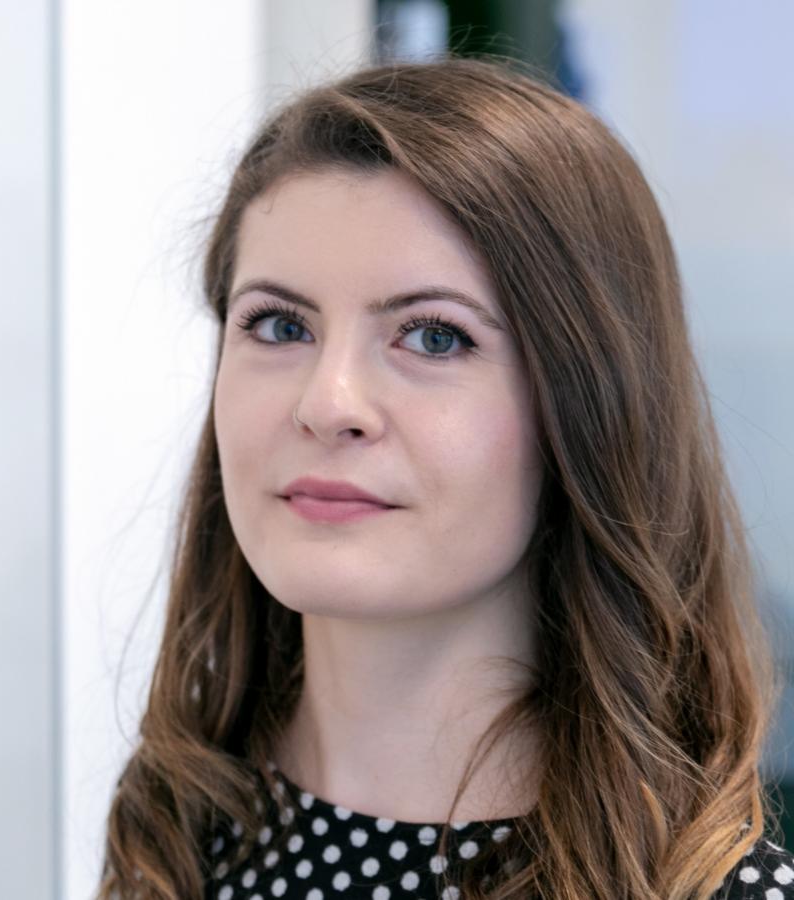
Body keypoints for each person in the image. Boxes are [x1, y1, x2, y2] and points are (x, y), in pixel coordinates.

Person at [96, 56, 792, 900]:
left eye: (433, 337)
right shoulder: (175, 824)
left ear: (588, 407)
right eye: (279, 326)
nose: (327, 404)